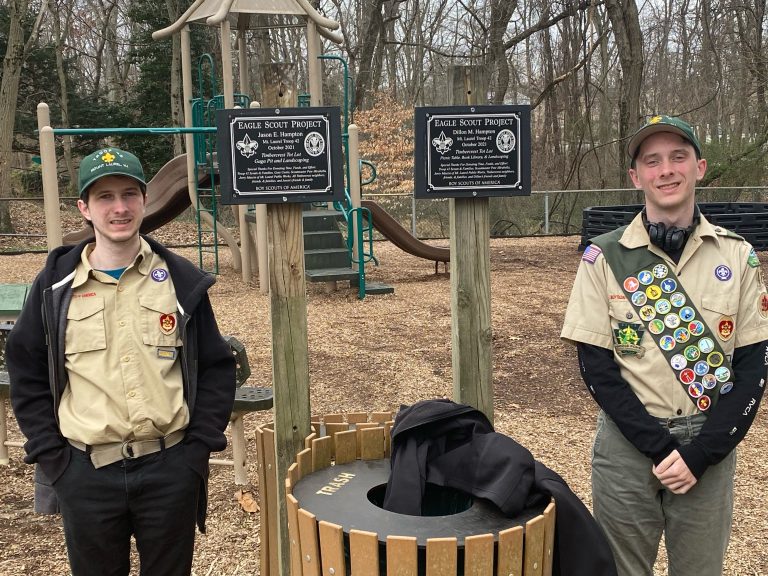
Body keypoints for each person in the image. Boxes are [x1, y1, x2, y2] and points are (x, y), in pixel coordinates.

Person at [6, 147, 236, 576]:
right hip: (85, 474)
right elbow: (26, 371)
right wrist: (54, 459)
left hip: (170, 469)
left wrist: (197, 452)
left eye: (129, 194)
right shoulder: (55, 288)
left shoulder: (179, 280)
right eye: (104, 197)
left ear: (145, 201)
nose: (119, 208)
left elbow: (216, 369)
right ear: (85, 209)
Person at [561, 115, 768, 576]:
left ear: (699, 167)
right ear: (636, 177)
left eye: (679, 157)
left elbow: (754, 368)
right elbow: (595, 367)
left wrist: (700, 455)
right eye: (651, 161)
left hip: (708, 446)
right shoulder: (603, 257)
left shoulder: (738, 257)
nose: (666, 170)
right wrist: (657, 448)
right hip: (627, 447)